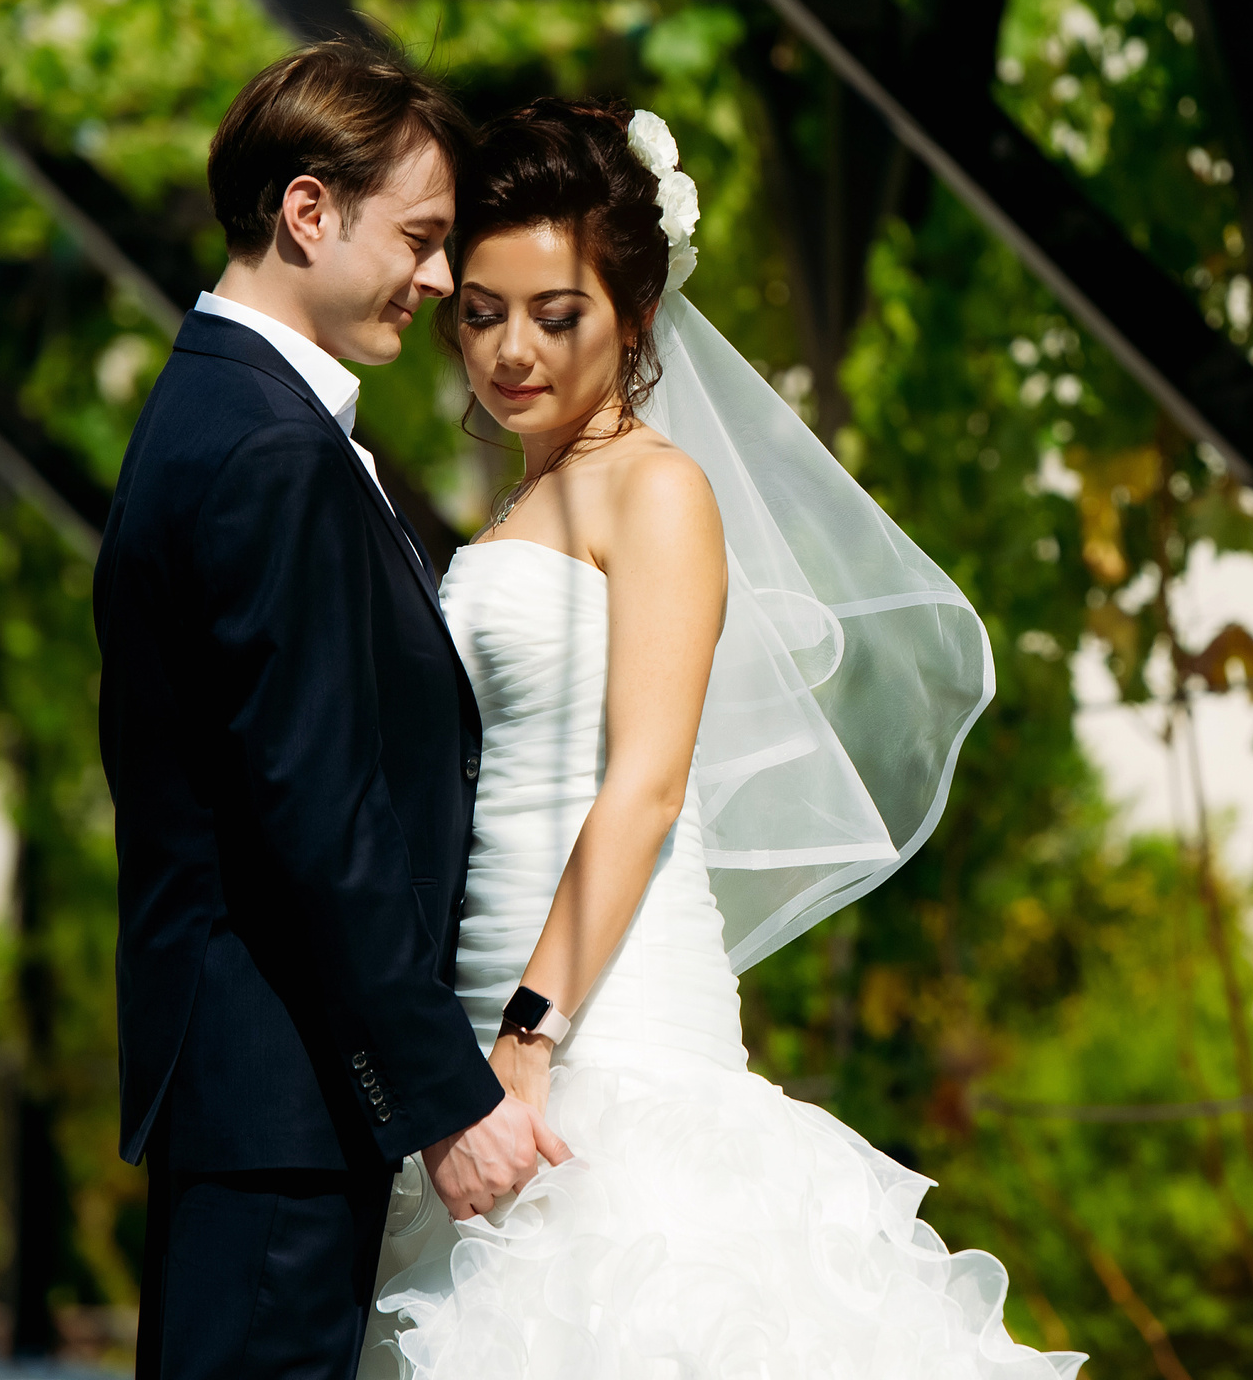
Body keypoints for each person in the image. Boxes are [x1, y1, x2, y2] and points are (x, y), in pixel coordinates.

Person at [367, 97, 1083, 1378]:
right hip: (482, 1004)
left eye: (555, 313)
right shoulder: (528, 494)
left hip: (601, 1018)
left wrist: (529, 1044)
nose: (508, 350)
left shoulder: (659, 487)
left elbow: (643, 787)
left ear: (633, 318)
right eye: (481, 311)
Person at [96, 40, 569, 1380]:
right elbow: (312, 807)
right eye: (419, 238)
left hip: (265, 1102)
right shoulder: (266, 448)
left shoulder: (215, 410)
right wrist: (440, 1096)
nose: (438, 279)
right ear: (309, 212)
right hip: (285, 1110)